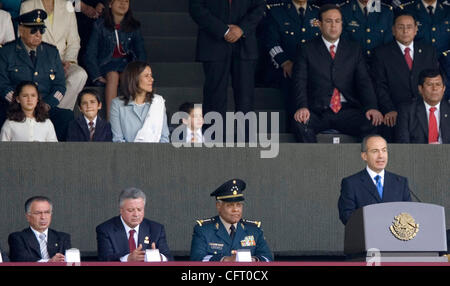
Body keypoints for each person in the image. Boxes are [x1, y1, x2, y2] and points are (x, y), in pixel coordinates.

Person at [292, 4, 383, 143]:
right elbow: (300, 81)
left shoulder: (354, 49)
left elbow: (364, 81)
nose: (333, 26)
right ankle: (312, 163)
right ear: (319, 25)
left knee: (372, 122)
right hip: (318, 110)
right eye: (328, 21)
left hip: (347, 110)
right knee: (300, 124)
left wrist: (372, 107)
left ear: (342, 24)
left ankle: (359, 162)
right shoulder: (306, 49)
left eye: (337, 21)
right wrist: (302, 107)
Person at [189, 0, 265, 140]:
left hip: (244, 43)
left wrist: (241, 29)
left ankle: (246, 142)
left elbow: (260, 7)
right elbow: (195, 7)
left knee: (245, 96)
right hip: (213, 42)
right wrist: (223, 30)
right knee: (215, 95)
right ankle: (214, 140)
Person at [0, 9, 74, 141]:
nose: (38, 34)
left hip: (43, 106)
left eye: (41, 30)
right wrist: (21, 103)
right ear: (21, 30)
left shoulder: (52, 52)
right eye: (33, 30)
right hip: (14, 106)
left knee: (66, 117)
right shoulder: (7, 52)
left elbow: (60, 86)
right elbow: (2, 84)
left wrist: (46, 105)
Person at [370, 12, 439, 141]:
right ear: (393, 30)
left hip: (423, 109)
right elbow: (379, 85)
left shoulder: (429, 51)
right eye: (401, 27)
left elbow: (435, 82)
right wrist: (389, 109)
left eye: (409, 27)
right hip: (395, 112)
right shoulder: (381, 53)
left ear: (416, 29)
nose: (405, 31)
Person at [21, 0, 88, 111]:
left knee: (80, 75)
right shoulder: (27, 5)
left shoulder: (67, 5)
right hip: (37, 62)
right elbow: (24, 40)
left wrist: (69, 61)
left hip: (64, 61)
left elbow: (74, 41)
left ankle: (54, 111)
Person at [85, 0, 146, 120]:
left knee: (127, 76)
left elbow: (141, 52)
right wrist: (96, 75)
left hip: (125, 64)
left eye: (126, 1)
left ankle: (130, 119)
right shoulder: (100, 25)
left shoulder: (134, 26)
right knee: (113, 76)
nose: (123, 3)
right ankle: (111, 120)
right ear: (110, 4)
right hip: (106, 64)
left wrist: (140, 72)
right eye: (119, 0)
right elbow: (90, 53)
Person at [264, 0, 321, 127]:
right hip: (287, 68)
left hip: (314, 69)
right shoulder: (276, 11)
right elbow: (271, 42)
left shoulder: (318, 12)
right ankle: (295, 126)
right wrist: (284, 62)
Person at [190, 179, 273, 262]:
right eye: (230, 205)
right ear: (218, 206)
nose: (236, 209)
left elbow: (268, 258)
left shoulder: (254, 230)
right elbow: (197, 259)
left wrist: (253, 260)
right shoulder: (204, 230)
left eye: (239, 205)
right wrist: (225, 260)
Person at [337, 135, 412, 225]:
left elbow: (409, 214)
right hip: (364, 237)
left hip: (394, 237)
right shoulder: (351, 183)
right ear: (364, 156)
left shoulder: (400, 182)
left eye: (384, 150)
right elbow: (346, 216)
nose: (381, 156)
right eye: (375, 151)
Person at [96, 187, 173, 262]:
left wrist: (160, 258)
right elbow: (104, 260)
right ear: (121, 210)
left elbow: (170, 259)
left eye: (139, 210)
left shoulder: (156, 229)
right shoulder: (106, 230)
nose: (136, 214)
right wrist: (127, 259)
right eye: (130, 210)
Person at [110, 61, 170, 143]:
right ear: (134, 78)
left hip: (155, 154)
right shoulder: (117, 104)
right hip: (127, 154)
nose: (151, 79)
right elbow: (118, 140)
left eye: (151, 75)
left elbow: (164, 138)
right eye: (146, 76)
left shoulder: (158, 102)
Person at [8, 196, 71, 262]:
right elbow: (21, 259)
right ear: (28, 217)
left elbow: (70, 261)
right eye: (38, 213)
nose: (43, 217)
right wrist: (48, 262)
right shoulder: (18, 238)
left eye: (47, 212)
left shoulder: (62, 238)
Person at [395, 69, 450, 143]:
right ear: (420, 89)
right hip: (418, 154)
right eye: (430, 84)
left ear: (444, 88)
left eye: (438, 84)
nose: (434, 89)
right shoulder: (406, 111)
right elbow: (403, 145)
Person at [341, 0, 394, 64]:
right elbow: (343, 45)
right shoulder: (344, 10)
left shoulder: (386, 12)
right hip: (353, 65)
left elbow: (388, 45)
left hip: (379, 65)